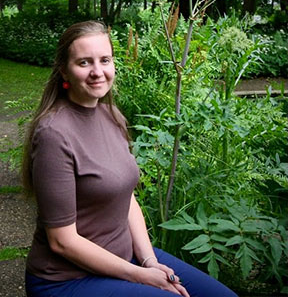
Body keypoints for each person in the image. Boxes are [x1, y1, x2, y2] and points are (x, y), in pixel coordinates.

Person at [22, 21, 237, 297]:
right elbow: (62, 241)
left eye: (105, 60)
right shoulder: (54, 134)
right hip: (67, 280)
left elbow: (127, 198)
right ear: (64, 69)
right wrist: (140, 275)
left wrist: (150, 261)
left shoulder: (112, 116)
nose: (97, 72)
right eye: (84, 62)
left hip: (126, 262)